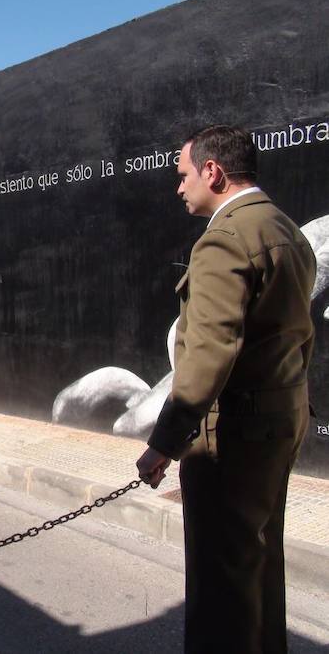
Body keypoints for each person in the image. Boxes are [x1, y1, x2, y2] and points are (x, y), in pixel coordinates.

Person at [135, 125, 316, 654]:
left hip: (231, 436)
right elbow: (300, 338)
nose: (179, 187)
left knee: (220, 586)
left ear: (212, 172)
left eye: (183, 175)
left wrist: (164, 443)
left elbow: (209, 354)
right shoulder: (286, 230)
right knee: (258, 563)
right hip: (279, 422)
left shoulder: (225, 239)